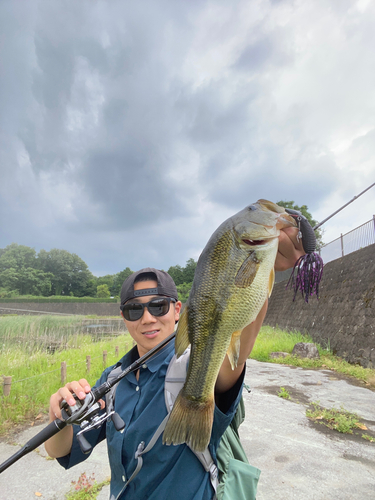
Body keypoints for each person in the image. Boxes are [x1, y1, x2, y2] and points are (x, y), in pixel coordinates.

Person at [45, 227, 304, 500]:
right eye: (135, 309)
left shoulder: (197, 364)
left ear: (177, 310)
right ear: (124, 317)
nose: (147, 318)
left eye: (158, 306)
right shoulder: (113, 379)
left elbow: (234, 356)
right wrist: (59, 418)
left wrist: (261, 267)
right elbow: (61, 450)